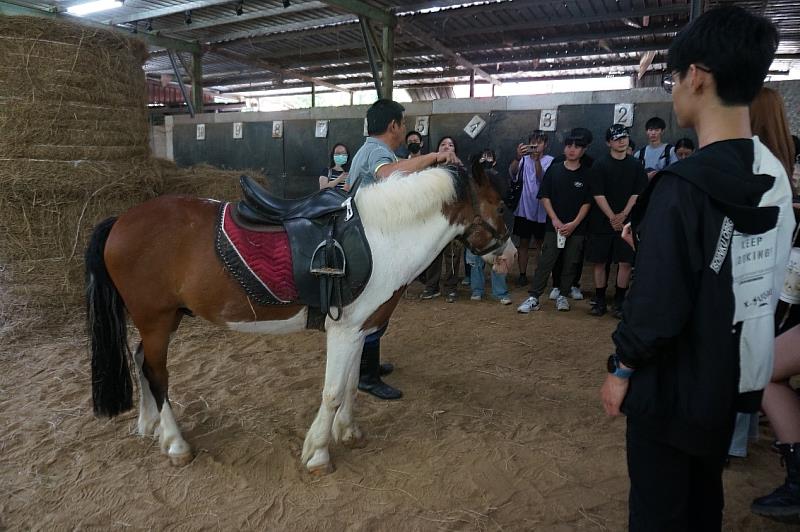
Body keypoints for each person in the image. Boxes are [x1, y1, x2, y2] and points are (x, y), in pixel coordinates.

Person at [600, 7, 794, 531]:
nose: (672, 90)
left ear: (697, 77)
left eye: (672, 77)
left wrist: (621, 369)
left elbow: (658, 304)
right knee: (703, 502)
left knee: (659, 511)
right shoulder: (772, 175)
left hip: (670, 389)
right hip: (729, 379)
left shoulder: (682, 186)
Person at [346, 99, 460, 400]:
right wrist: (435, 157)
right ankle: (366, 376)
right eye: (403, 123)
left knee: (377, 308)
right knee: (374, 307)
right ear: (393, 126)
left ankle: (368, 366)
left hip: (365, 233)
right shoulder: (377, 151)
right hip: (371, 238)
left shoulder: (369, 149)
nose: (405, 128)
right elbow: (388, 173)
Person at [516, 132, 592, 313]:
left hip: (577, 228)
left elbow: (587, 203)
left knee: (570, 262)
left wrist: (574, 224)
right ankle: (534, 297)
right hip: (553, 227)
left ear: (583, 150)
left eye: (577, 147)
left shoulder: (587, 174)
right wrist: (555, 220)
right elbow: (544, 196)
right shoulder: (555, 169)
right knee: (546, 261)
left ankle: (563, 296)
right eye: (569, 146)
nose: (572, 150)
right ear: (564, 147)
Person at [586, 124, 647, 318]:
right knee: (600, 262)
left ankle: (620, 302)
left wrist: (624, 214)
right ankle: (600, 300)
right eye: (617, 138)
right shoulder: (600, 165)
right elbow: (597, 193)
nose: (622, 141)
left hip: (627, 223)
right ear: (608, 142)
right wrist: (612, 216)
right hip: (602, 221)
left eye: (624, 137)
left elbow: (637, 192)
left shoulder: (636, 165)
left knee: (625, 263)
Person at [551, 127, 595, 301]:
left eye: (579, 144)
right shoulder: (558, 163)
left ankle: (574, 285)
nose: (573, 148)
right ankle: (556, 284)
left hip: (580, 219)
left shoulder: (591, 165)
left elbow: (591, 197)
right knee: (557, 252)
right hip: (558, 218)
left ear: (586, 146)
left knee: (576, 254)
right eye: (570, 143)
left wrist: (578, 220)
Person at [466, 149, 513, 305]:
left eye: (489, 157)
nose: (485, 159)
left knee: (499, 256)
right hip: (476, 224)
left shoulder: (498, 177)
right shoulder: (471, 181)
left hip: (495, 224)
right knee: (475, 259)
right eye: (482, 157)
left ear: (494, 160)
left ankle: (500, 292)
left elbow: (504, 197)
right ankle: (477, 290)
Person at [421, 136, 465, 303]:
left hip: (453, 218)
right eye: (443, 144)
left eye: (451, 145)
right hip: (433, 218)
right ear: (437, 149)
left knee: (453, 255)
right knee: (432, 254)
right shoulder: (428, 169)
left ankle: (451, 288)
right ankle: (431, 287)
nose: (447, 147)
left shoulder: (460, 170)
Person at [508, 130, 554, 286]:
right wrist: (518, 157)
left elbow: (543, 179)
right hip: (523, 209)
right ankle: (522, 274)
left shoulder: (550, 161)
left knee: (542, 244)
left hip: (542, 210)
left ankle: (540, 274)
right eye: (533, 142)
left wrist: (536, 161)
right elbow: (512, 173)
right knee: (524, 243)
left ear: (545, 145)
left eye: (539, 142)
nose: (535, 146)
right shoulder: (523, 159)